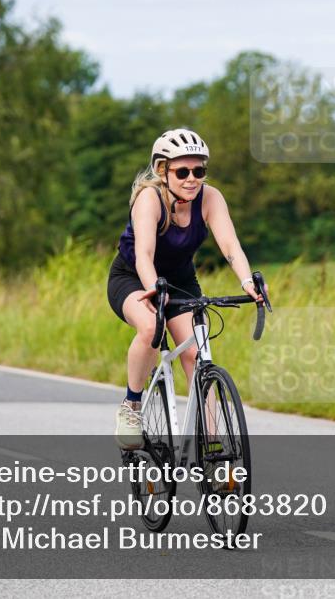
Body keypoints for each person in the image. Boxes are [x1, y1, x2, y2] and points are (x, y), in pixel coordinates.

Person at [107, 128, 267, 449]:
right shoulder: (149, 199)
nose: (192, 179)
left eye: (199, 171)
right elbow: (144, 255)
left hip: (180, 281)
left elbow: (230, 245)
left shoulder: (210, 198)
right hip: (134, 278)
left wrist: (247, 281)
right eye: (183, 172)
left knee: (197, 353)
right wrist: (154, 289)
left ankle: (213, 446)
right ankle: (132, 406)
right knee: (151, 327)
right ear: (162, 170)